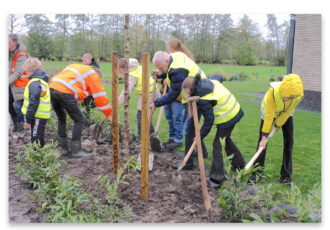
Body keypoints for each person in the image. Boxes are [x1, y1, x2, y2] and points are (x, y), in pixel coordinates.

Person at [173, 76, 246, 189]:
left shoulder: (203, 99)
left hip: (228, 115)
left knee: (217, 144)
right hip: (235, 109)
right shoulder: (203, 83)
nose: (187, 95)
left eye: (187, 93)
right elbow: (218, 77)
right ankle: (239, 165)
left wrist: (199, 136)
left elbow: (209, 121)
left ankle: (217, 178)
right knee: (225, 140)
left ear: (191, 88)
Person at [248, 74, 304, 184]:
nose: (286, 98)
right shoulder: (272, 92)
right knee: (262, 143)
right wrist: (264, 137)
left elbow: (288, 111)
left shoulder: (298, 95)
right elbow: (269, 116)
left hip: (286, 113)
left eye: (289, 97)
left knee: (289, 142)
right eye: (285, 96)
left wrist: (278, 124)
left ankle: (286, 176)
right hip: (269, 111)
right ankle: (257, 174)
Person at [49, 64, 112, 158]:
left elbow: (75, 86)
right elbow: (100, 96)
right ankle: (76, 151)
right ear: (98, 75)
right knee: (79, 119)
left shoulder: (77, 67)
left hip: (53, 87)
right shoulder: (93, 75)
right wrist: (109, 114)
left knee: (61, 118)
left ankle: (65, 149)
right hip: (65, 91)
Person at [150, 51, 207, 151]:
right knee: (188, 126)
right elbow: (169, 72)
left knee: (189, 127)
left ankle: (189, 151)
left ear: (166, 61)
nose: (160, 69)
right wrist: (161, 74)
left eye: (160, 67)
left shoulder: (178, 70)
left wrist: (156, 103)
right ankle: (176, 140)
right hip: (188, 92)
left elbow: (174, 93)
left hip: (197, 93)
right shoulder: (173, 59)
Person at [118, 58, 160, 137]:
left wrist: (115, 107)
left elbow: (125, 94)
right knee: (144, 116)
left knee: (141, 116)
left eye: (119, 69)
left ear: (123, 68)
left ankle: (141, 139)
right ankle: (152, 136)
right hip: (148, 92)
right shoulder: (135, 67)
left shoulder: (131, 76)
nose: (118, 72)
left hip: (150, 93)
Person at [21, 58, 50, 147]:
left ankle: (36, 158)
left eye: (26, 70)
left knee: (35, 138)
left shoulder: (34, 83)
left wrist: (28, 119)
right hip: (40, 116)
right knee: (39, 137)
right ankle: (42, 157)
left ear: (30, 70)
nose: (26, 73)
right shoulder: (41, 81)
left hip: (37, 116)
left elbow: (34, 102)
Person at [9, 34, 29, 139]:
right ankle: (16, 124)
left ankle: (21, 130)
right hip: (10, 84)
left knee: (18, 107)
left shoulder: (21, 55)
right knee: (8, 104)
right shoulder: (8, 53)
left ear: (14, 42)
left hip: (19, 86)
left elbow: (18, 73)